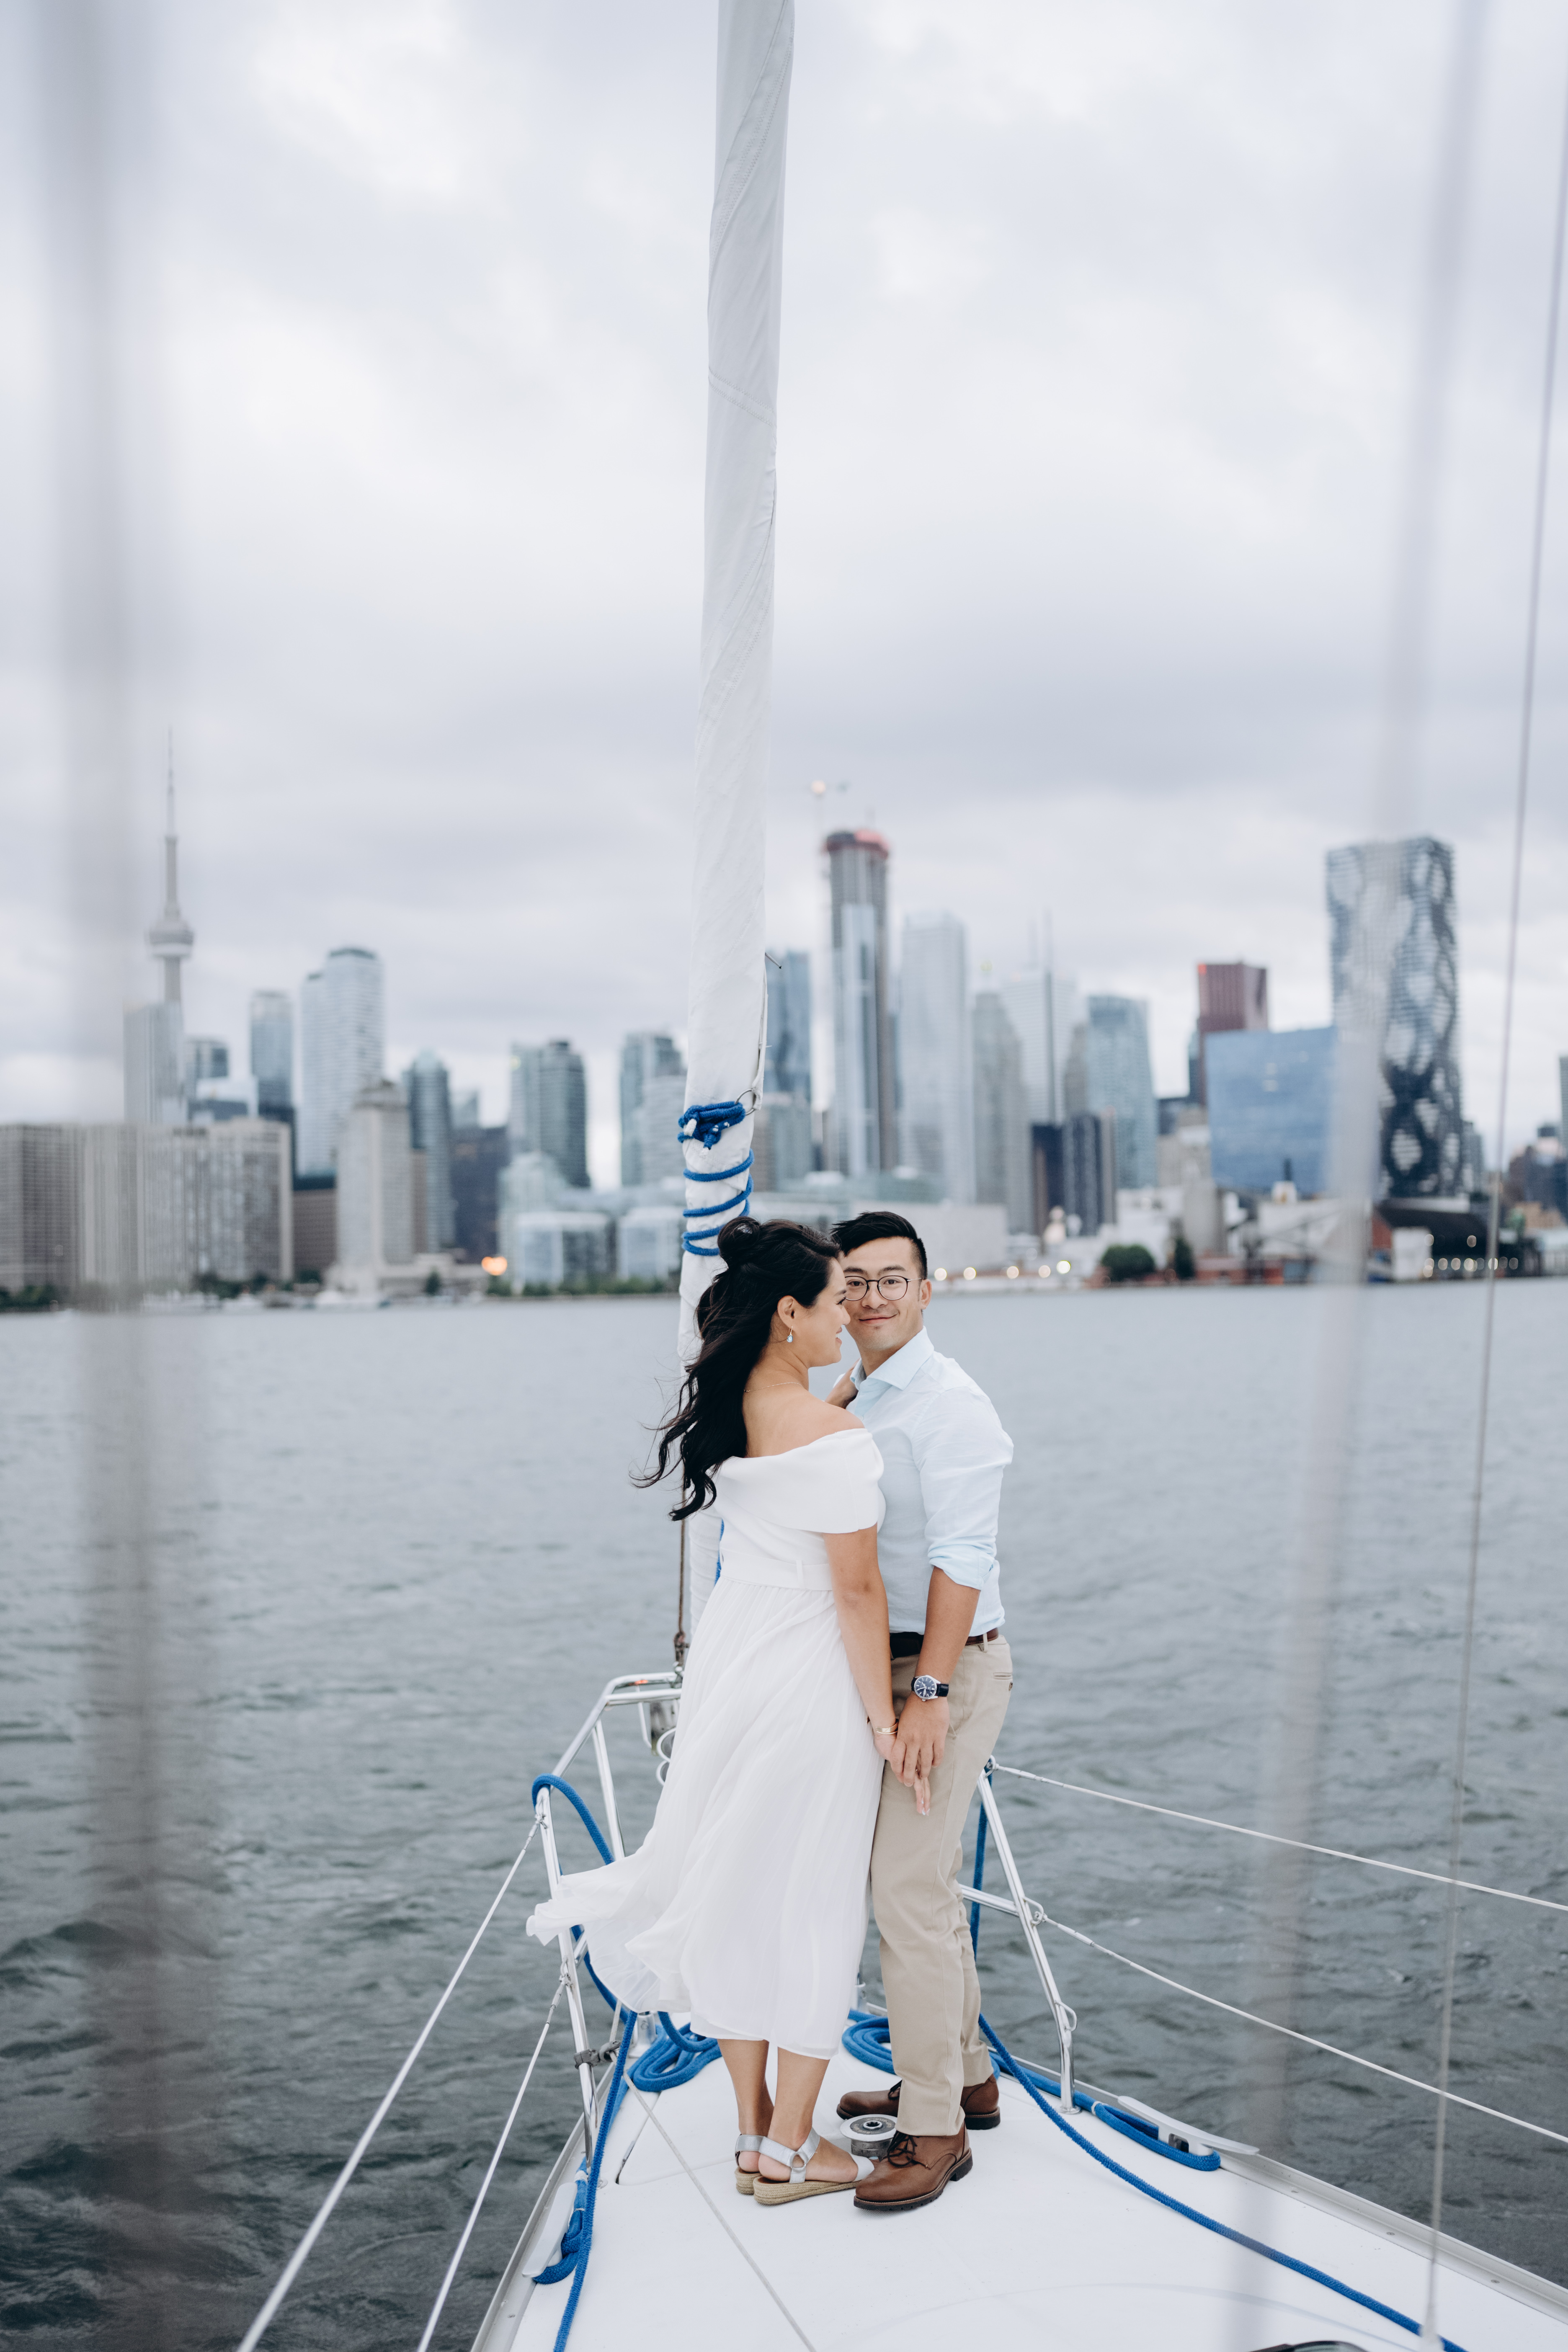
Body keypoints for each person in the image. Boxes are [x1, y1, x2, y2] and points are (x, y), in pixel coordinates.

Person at [526, 1218, 912, 2204]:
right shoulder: (838, 1440)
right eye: (834, 1303)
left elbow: (788, 1475)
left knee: (742, 1891)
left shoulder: (733, 1414)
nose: (846, 1319)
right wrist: (883, 1720)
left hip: (735, 1668)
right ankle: (793, 2153)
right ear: (789, 1314)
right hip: (808, 1675)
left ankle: (752, 2133)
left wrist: (836, 1403)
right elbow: (858, 1594)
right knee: (816, 1903)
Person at [827, 1210, 1014, 2215]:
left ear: (927, 1292)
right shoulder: (859, 1393)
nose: (872, 1298)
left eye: (891, 1279)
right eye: (854, 1281)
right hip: (883, 1667)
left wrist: (931, 1695)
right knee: (918, 1888)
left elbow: (964, 1559)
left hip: (951, 1670)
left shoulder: (951, 1406)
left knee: (905, 1887)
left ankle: (936, 2129)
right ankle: (964, 2077)